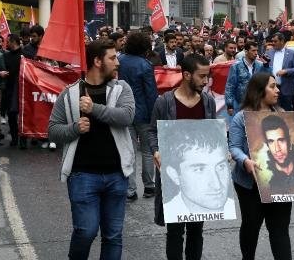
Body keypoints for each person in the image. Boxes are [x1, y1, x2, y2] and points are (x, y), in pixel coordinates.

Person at [48, 39, 135, 260]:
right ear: (97, 61)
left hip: (117, 175)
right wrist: (75, 128)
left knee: (113, 235)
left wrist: (94, 108)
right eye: (112, 58)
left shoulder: (121, 89)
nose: (117, 63)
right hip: (82, 175)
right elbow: (53, 131)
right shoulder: (69, 94)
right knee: (85, 232)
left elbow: (126, 117)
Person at [229, 72, 294, 260]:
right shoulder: (240, 117)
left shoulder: (283, 115)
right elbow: (234, 147)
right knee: (251, 226)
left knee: (279, 229)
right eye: (272, 86)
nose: (277, 90)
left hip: (281, 183)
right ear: (259, 91)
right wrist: (245, 160)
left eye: (277, 86)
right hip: (249, 184)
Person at [148, 54, 221, 259]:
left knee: (197, 231)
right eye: (202, 76)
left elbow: (211, 133)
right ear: (187, 75)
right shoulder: (165, 102)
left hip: (201, 178)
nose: (206, 81)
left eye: (207, 76)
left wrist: (219, 152)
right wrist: (156, 150)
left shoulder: (208, 102)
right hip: (175, 176)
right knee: (175, 232)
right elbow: (152, 131)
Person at [160, 123, 234, 216]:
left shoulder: (230, 206)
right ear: (174, 175)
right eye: (200, 169)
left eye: (221, 166)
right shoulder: (171, 211)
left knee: (196, 228)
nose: (217, 184)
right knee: (176, 229)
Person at [118, 32, 158, 201]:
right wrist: (154, 115)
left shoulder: (119, 61)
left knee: (129, 151)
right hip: (143, 113)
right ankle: (149, 186)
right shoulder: (145, 65)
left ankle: (130, 189)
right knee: (148, 152)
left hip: (124, 111)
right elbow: (151, 93)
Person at [262, 115, 294, 194]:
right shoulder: (267, 182)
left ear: (289, 141)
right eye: (271, 142)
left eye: (281, 140)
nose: (277, 148)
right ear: (267, 145)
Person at [225, 42, 270, 116]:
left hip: (257, 103)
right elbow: (230, 85)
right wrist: (230, 105)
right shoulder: (236, 66)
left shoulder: (260, 65)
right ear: (246, 51)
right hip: (241, 104)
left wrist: (266, 66)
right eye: (253, 51)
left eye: (257, 51)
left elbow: (269, 78)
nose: (256, 53)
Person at [265, 32, 294, 111]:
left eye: (275, 41)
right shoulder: (269, 52)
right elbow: (265, 67)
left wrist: (286, 71)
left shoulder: (292, 53)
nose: (273, 43)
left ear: (282, 41)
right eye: (272, 41)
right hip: (272, 88)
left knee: (286, 112)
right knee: (273, 111)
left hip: (286, 88)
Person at [3, 34, 22, 147]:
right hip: (9, 90)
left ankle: (24, 139)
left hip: (23, 90)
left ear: (14, 42)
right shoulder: (6, 56)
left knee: (24, 115)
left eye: (8, 41)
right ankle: (15, 138)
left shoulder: (25, 55)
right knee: (11, 115)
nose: (6, 44)